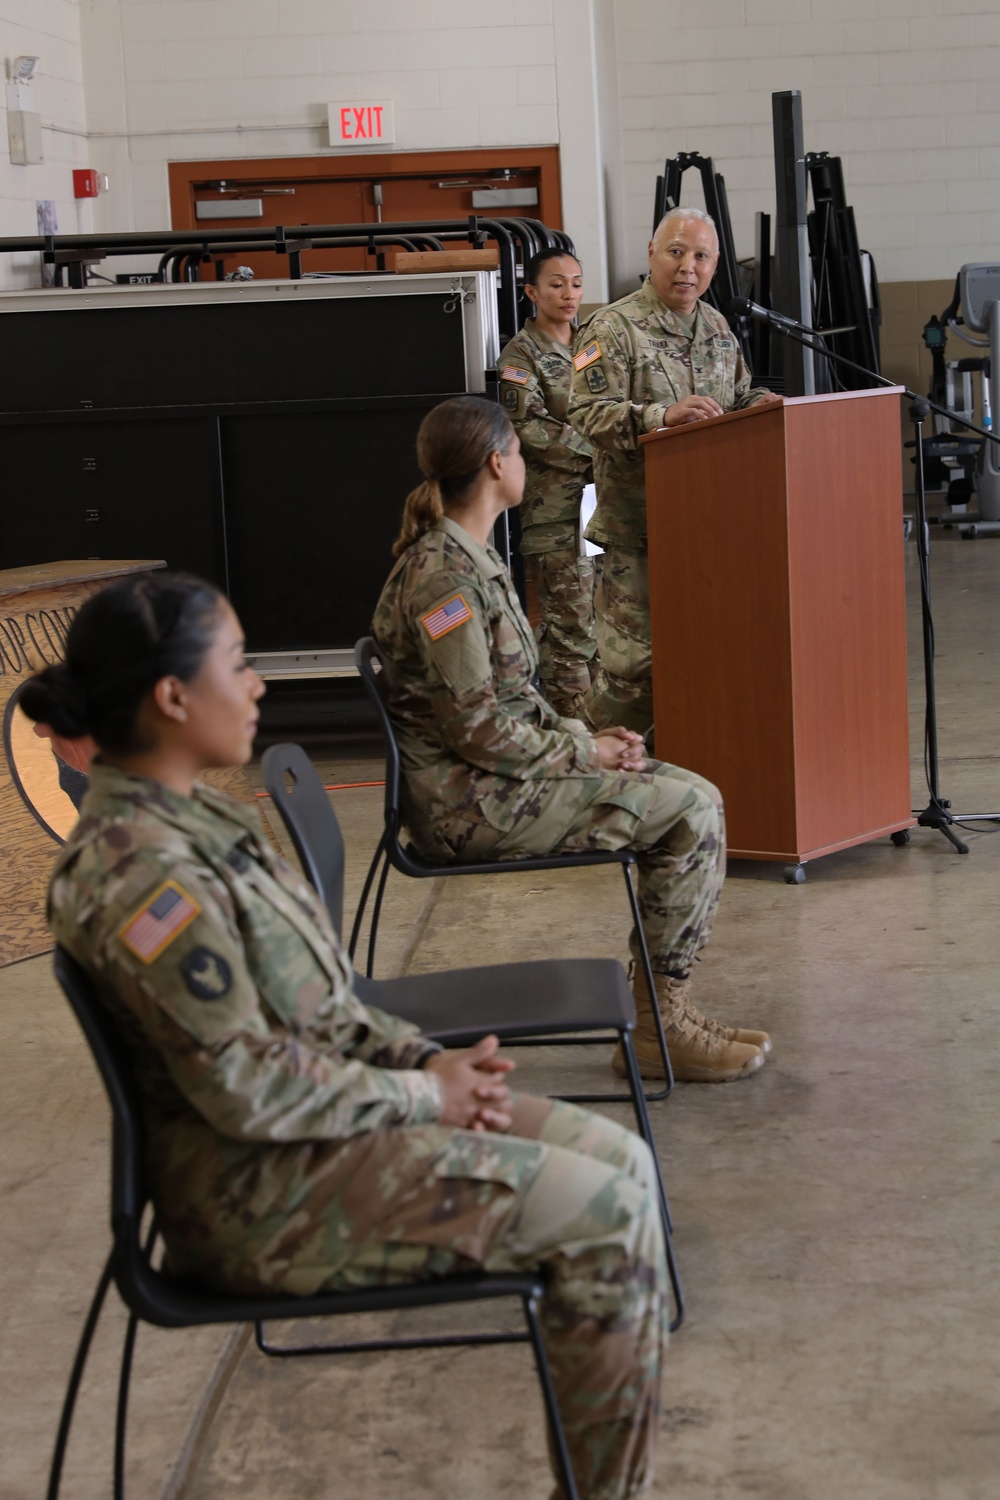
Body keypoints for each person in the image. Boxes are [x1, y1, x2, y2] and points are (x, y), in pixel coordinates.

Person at [24, 571, 668, 1500]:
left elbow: (320, 998)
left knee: (627, 1167)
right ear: (171, 697)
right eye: (238, 665)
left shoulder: (196, 816)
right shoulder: (137, 878)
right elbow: (247, 1086)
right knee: (602, 1216)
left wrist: (423, 1058)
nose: (257, 686)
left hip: (327, 1135)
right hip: (261, 1195)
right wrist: (426, 1097)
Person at [372, 395, 770, 1091]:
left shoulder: (467, 556)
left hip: (493, 781)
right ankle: (660, 1026)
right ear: (498, 464)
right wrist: (587, 756)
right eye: (519, 453)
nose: (523, 462)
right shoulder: (446, 579)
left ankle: (660, 1016)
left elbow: (513, 699)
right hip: (469, 806)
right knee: (692, 810)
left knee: (683, 788)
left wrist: (585, 734)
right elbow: (479, 730)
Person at [567, 207, 782, 738]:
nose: (688, 267)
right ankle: (574, 765)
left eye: (701, 256)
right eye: (676, 252)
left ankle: (673, 779)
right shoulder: (612, 327)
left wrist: (768, 405)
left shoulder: (716, 326)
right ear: (651, 255)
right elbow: (587, 413)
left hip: (710, 530)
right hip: (638, 530)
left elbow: (735, 397)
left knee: (703, 664)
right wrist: (661, 417)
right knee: (635, 675)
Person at [500, 249, 597, 717]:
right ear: (532, 293)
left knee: (605, 628)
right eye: (557, 284)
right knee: (569, 630)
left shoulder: (593, 343)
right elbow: (529, 428)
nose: (569, 294)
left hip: (604, 509)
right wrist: (601, 451)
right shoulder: (521, 355)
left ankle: (608, 734)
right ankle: (573, 736)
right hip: (556, 514)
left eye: (576, 283)